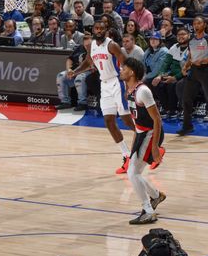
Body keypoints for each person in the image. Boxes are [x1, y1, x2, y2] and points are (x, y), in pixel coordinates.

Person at [68, 20, 134, 174]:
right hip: (104, 84)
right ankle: (126, 155)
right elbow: (88, 62)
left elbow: (126, 63)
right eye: (96, 28)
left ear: (106, 31)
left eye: (101, 29)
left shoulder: (112, 45)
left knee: (126, 119)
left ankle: (149, 143)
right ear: (93, 30)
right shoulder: (91, 46)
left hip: (117, 82)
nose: (98, 30)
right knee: (109, 121)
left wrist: (130, 84)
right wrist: (75, 71)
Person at [120, 57, 167, 224]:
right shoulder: (129, 90)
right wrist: (134, 144)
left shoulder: (143, 91)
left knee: (133, 173)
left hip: (151, 133)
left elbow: (157, 120)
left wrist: (155, 146)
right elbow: (136, 121)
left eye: (123, 68)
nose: (121, 70)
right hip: (141, 133)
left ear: (132, 72)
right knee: (134, 172)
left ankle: (148, 210)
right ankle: (155, 196)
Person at [56, 32, 92, 111]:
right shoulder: (80, 48)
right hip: (75, 71)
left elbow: (90, 66)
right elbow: (69, 59)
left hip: (88, 72)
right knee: (61, 76)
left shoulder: (95, 50)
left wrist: (75, 72)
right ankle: (65, 102)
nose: (87, 47)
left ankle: (82, 103)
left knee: (79, 78)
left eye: (89, 45)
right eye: (85, 45)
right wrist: (69, 69)